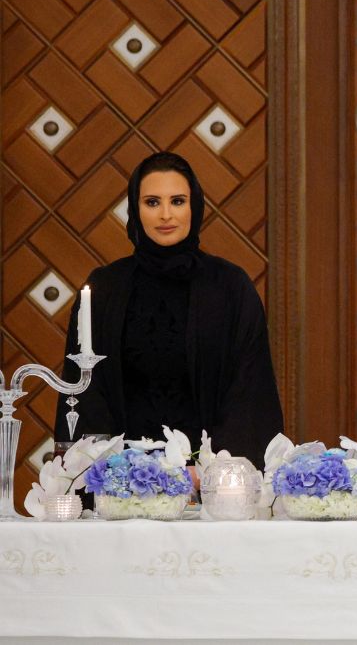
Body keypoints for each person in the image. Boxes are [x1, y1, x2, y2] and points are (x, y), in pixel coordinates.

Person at [54, 152, 284, 466]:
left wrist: (210, 473)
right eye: (152, 202)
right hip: (123, 489)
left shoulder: (230, 286)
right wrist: (111, 475)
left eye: (177, 201)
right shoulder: (105, 288)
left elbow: (249, 393)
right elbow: (87, 396)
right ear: (135, 209)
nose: (165, 214)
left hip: (211, 490)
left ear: (195, 206)